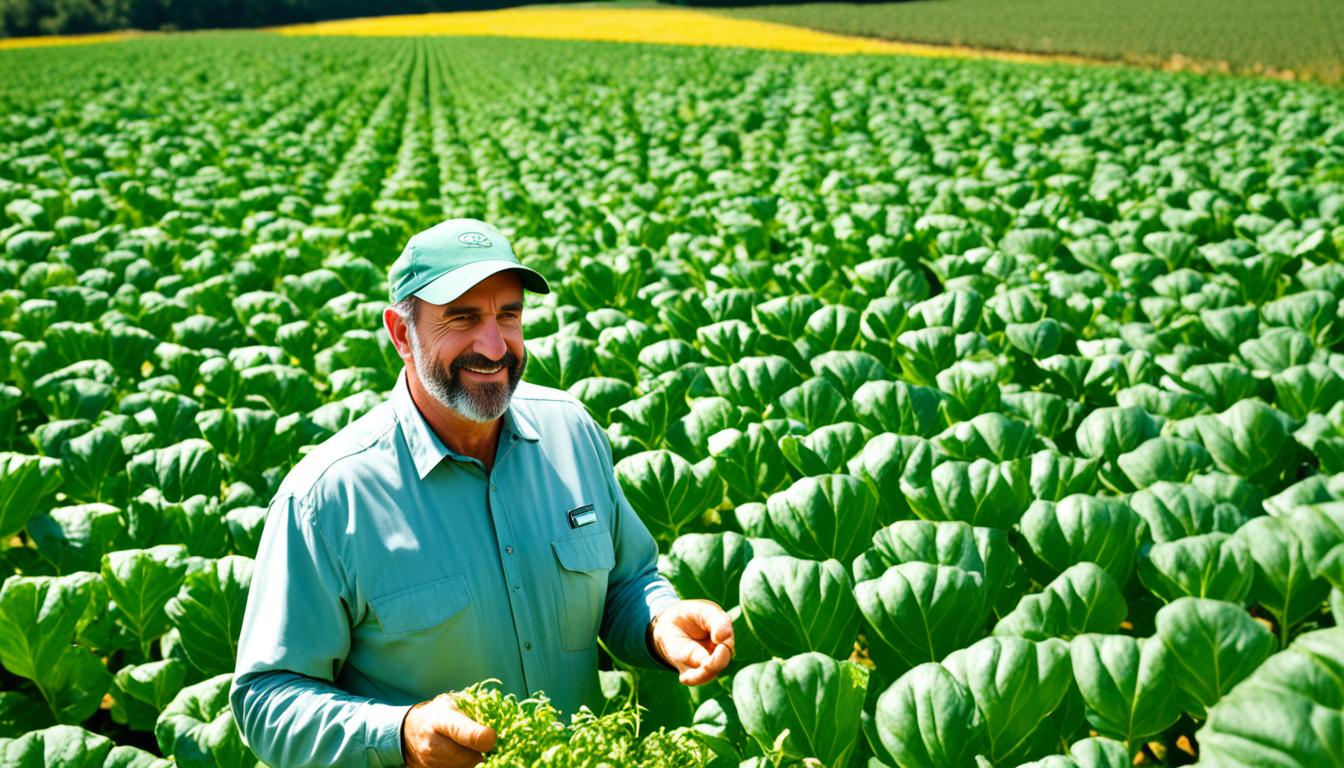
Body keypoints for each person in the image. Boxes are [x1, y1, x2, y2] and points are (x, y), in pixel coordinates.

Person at [230, 218, 734, 768]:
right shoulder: (328, 498)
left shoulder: (572, 433)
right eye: (462, 318)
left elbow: (625, 582)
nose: (494, 346)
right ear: (401, 333)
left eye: (508, 315)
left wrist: (661, 621)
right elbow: (267, 699)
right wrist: (400, 732)